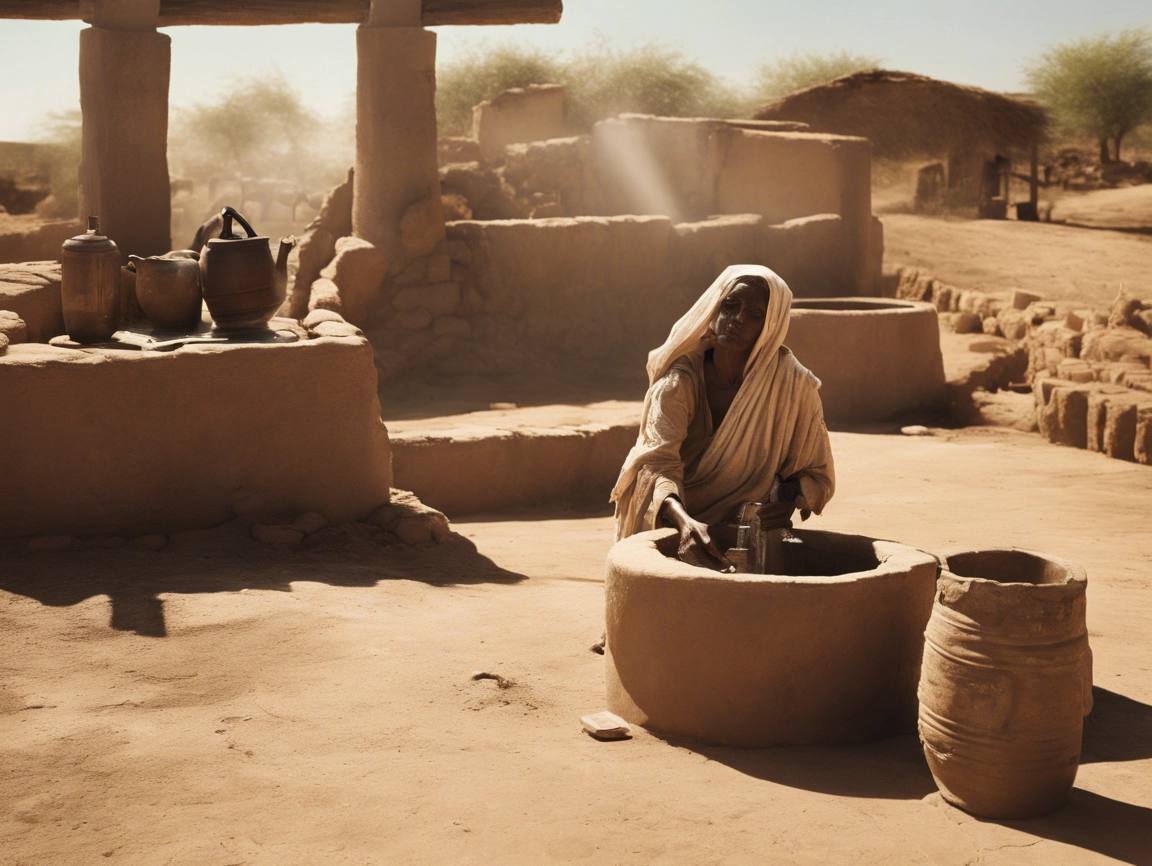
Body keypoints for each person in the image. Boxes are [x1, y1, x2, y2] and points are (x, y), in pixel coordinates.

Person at [611, 265, 835, 569]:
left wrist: (786, 500)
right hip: (673, 518)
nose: (739, 318)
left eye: (756, 314)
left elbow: (817, 474)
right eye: (731, 305)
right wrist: (685, 523)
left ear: (771, 325)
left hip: (743, 528)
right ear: (715, 306)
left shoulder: (794, 385)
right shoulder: (679, 382)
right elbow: (656, 465)